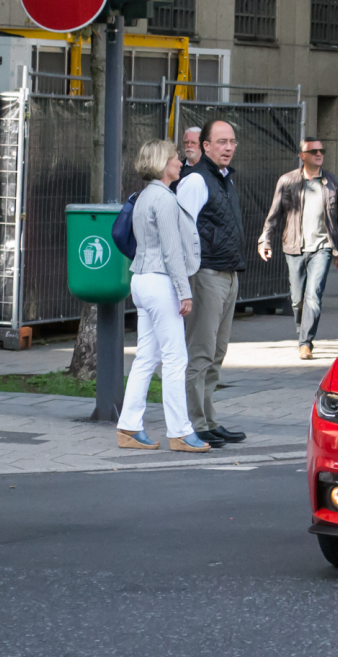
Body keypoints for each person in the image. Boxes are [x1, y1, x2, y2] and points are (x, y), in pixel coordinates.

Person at [116, 140, 208, 453]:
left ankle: (129, 426)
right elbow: (172, 251)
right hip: (160, 282)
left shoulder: (143, 196)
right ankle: (180, 432)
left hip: (141, 279)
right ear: (161, 163)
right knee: (175, 358)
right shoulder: (165, 199)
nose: (179, 161)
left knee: (146, 357)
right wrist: (185, 292)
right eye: (173, 158)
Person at [175, 119, 247, 448]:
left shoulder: (224, 178)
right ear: (205, 146)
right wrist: (185, 285)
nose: (228, 147)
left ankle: (209, 418)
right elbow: (181, 232)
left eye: (231, 141)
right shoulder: (195, 180)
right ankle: (195, 422)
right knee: (201, 354)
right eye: (221, 142)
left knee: (217, 354)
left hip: (228, 274)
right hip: (206, 276)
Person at [258, 136, 338, 361]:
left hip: (323, 248)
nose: (319, 154)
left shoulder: (332, 182)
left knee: (313, 295)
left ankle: (306, 342)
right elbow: (274, 215)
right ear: (302, 156)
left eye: (321, 150)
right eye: (313, 151)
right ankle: (302, 332)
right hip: (294, 247)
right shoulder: (287, 181)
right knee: (298, 298)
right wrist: (265, 241)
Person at [170, 126, 202, 192]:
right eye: (186, 142)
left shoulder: (211, 168)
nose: (189, 145)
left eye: (193, 142)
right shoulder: (176, 169)